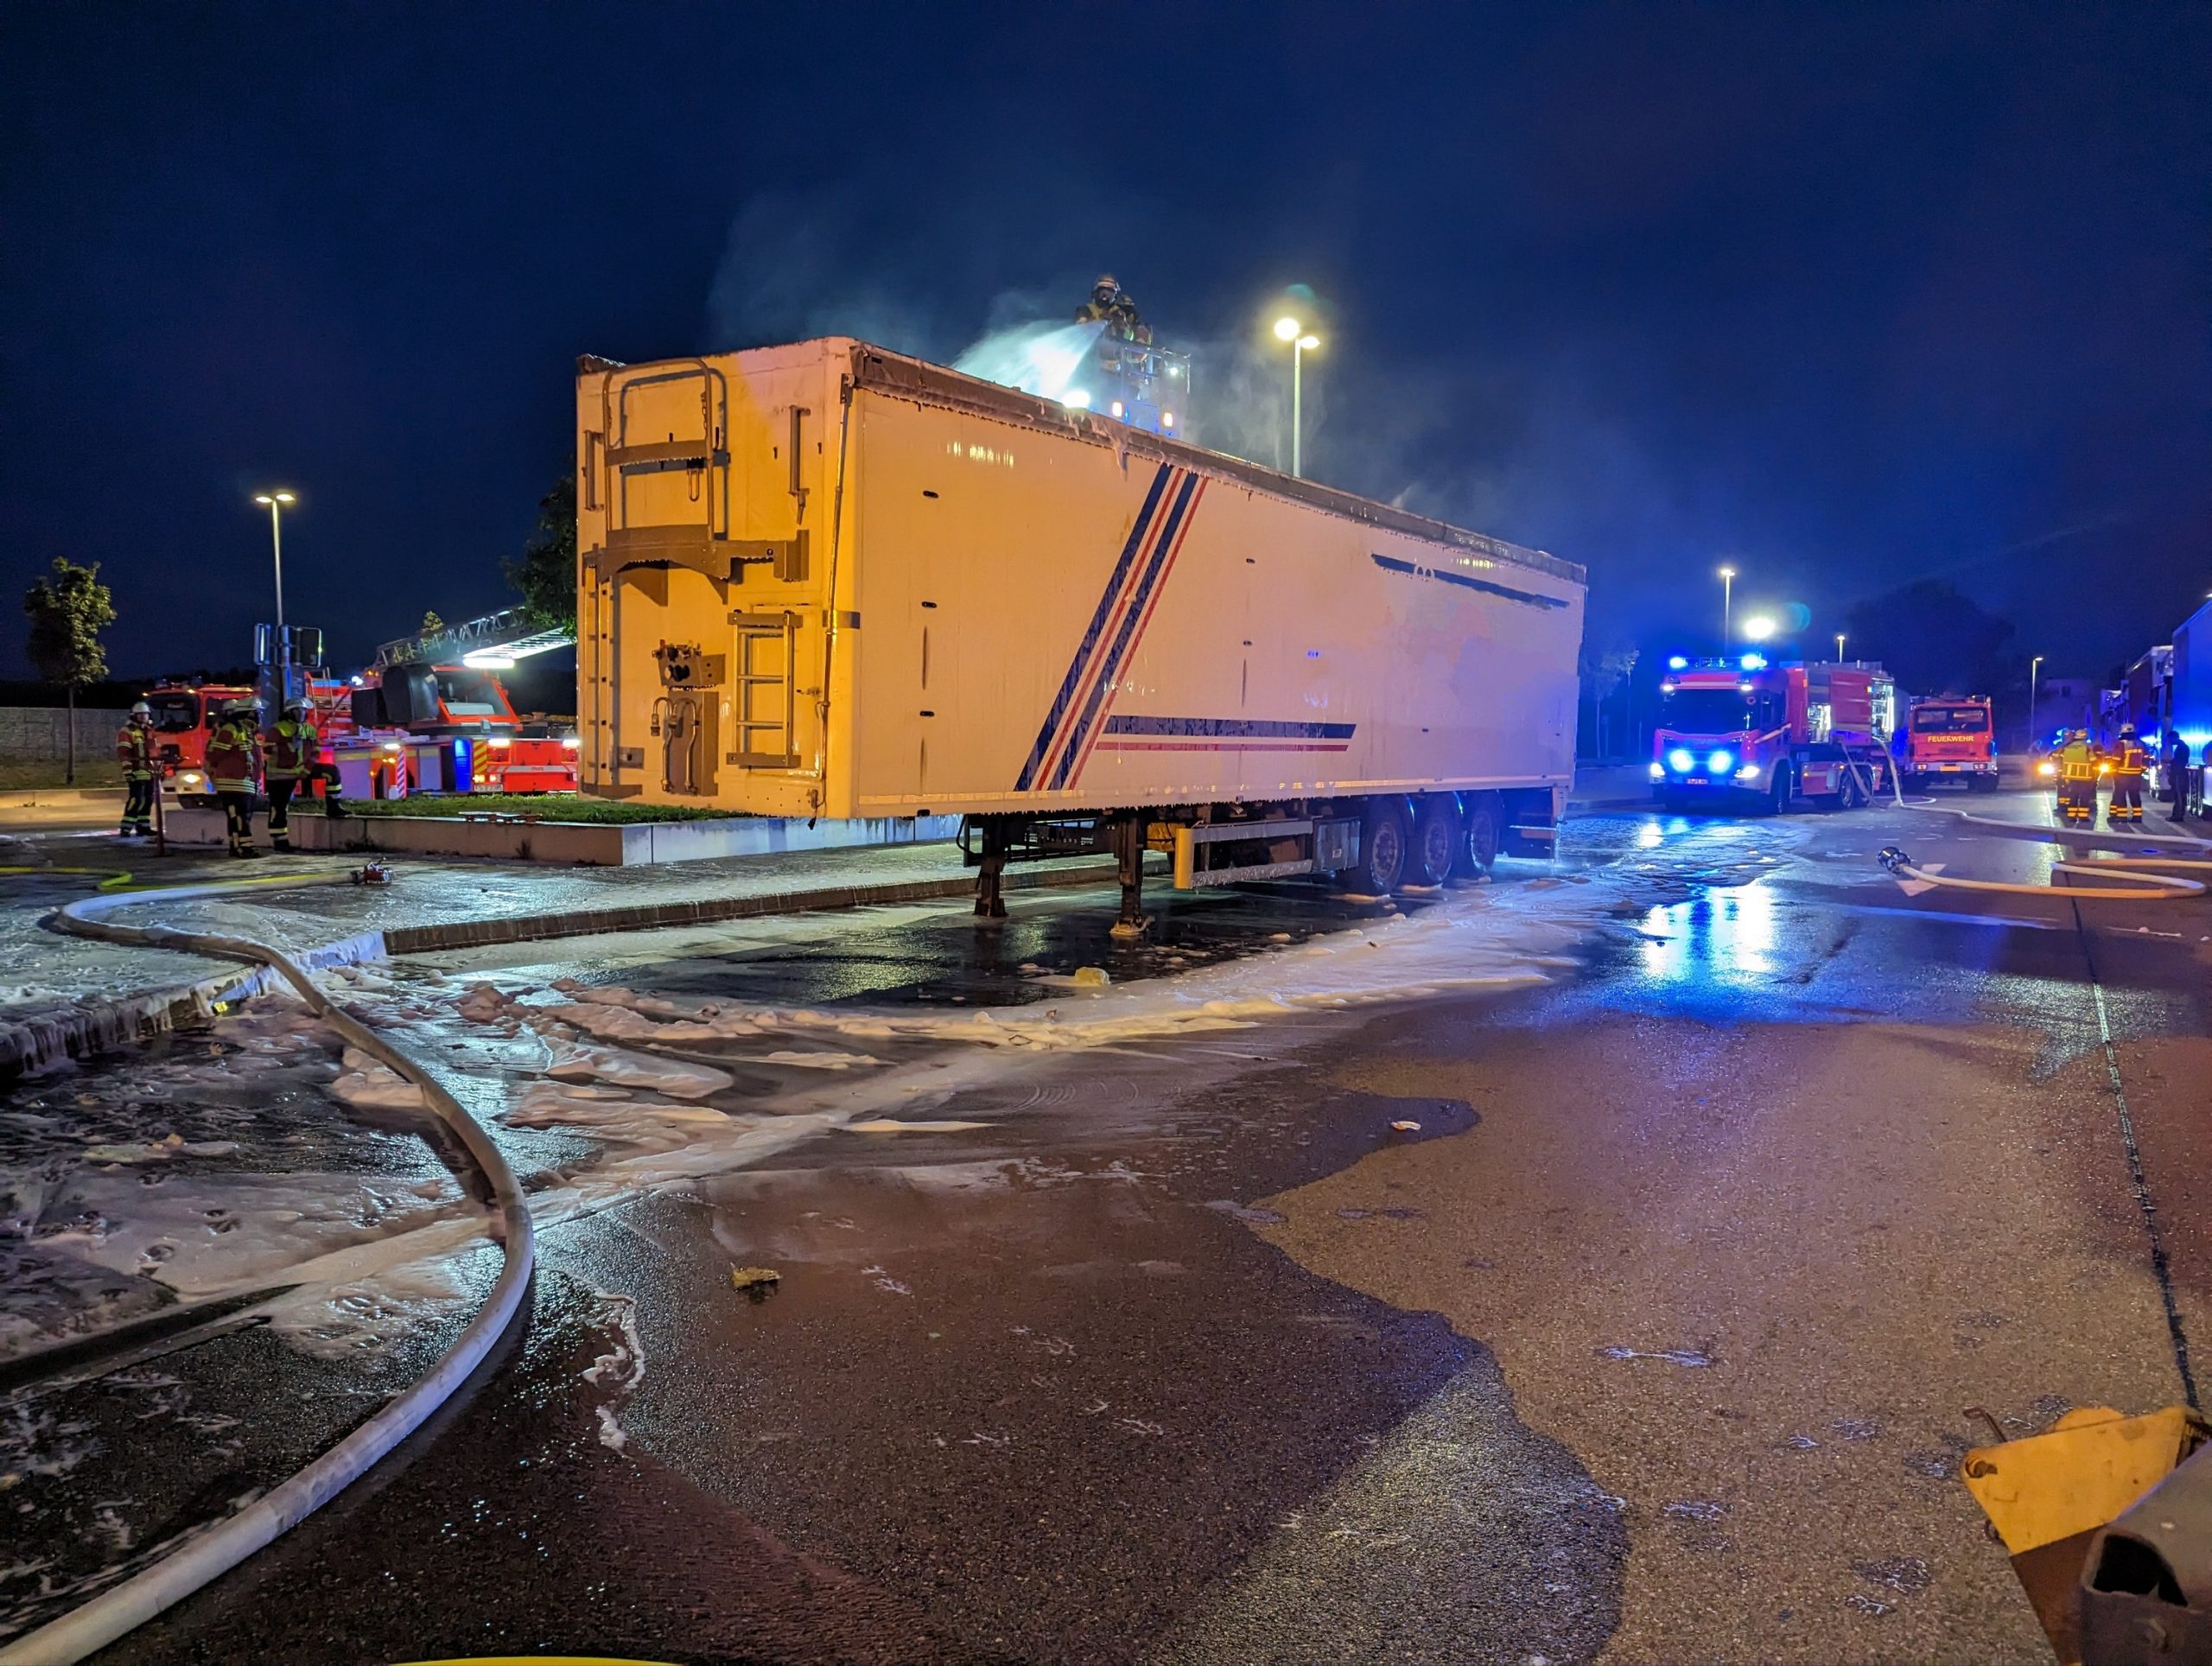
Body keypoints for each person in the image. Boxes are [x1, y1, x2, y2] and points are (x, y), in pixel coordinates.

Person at [204, 699, 263, 858]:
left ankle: (237, 846)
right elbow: (215, 754)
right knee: (239, 816)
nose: (259, 715)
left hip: (245, 781)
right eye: (257, 712)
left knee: (242, 816)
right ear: (248, 713)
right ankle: (244, 848)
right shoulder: (231, 729)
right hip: (232, 782)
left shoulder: (247, 731)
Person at [264, 699, 319, 853]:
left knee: (332, 773)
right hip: (279, 775)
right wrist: (288, 744)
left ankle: (334, 806)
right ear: (289, 713)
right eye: (297, 710)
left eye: (303, 710)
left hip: (300, 771)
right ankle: (280, 841)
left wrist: (307, 770)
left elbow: (316, 751)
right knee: (279, 808)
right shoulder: (278, 729)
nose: (301, 713)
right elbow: (267, 750)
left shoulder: (309, 730)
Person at [114, 702, 156, 838]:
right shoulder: (127, 731)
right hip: (136, 771)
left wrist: (159, 770)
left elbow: (154, 752)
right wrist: (128, 770)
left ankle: (143, 827)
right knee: (136, 799)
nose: (143, 716)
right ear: (134, 716)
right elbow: (124, 753)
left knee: (148, 799)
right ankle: (126, 828)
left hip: (149, 772)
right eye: (140, 714)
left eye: (145, 714)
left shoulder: (149, 731)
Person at [2056, 728, 2097, 824]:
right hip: (2084, 776)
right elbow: (2093, 760)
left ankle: (2072, 816)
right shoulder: (2087, 747)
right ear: (2085, 737)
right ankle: (2083, 816)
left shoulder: (2067, 746)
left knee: (2073, 796)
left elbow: (2056, 756)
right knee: (2084, 796)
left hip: (2070, 776)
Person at [2109, 726, 2147, 823]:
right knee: (2135, 796)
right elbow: (2146, 759)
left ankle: (2121, 817)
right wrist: (2141, 770)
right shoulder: (2141, 744)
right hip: (2136, 775)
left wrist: (2113, 771)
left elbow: (2116, 759)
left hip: (2122, 774)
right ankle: (2137, 817)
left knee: (2120, 796)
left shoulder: (2121, 744)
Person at [2167, 729, 2192, 817]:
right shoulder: (2181, 747)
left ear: (2175, 738)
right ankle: (2177, 815)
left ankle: (2178, 815)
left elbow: (2179, 763)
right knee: (2178, 795)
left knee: (2179, 795)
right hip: (2179, 774)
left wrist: (2173, 772)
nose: (2169, 741)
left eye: (2170, 739)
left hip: (2179, 775)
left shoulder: (2182, 748)